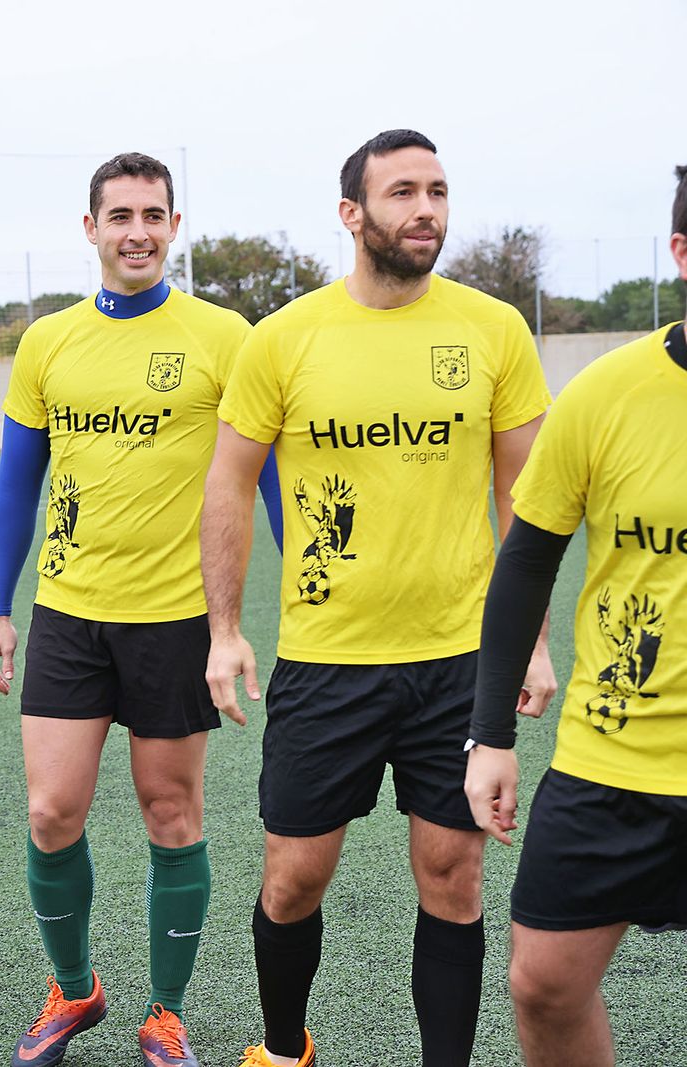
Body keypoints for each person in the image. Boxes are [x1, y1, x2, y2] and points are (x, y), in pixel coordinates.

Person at [201, 129, 556, 1067]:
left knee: (454, 874)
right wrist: (225, 630)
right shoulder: (285, 338)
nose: (426, 208)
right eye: (403, 191)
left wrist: (531, 642)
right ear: (352, 213)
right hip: (328, 660)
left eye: (437, 190)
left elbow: (525, 503)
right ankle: (284, 1049)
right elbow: (228, 484)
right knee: (293, 879)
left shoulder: (494, 330)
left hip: (460, 662)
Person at [0, 152, 249, 1067]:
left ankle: (166, 1013)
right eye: (120, 215)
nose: (138, 231)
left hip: (176, 617)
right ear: (90, 228)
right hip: (69, 613)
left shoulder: (223, 336)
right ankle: (74, 988)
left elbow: (264, 477)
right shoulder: (49, 342)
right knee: (52, 810)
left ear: (175, 226)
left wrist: (266, 609)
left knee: (171, 813)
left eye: (153, 215)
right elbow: (19, 481)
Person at [463, 165, 687, 1067]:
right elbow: (526, 563)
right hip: (613, 754)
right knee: (544, 983)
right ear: (681, 252)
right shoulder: (606, 392)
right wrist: (490, 734)